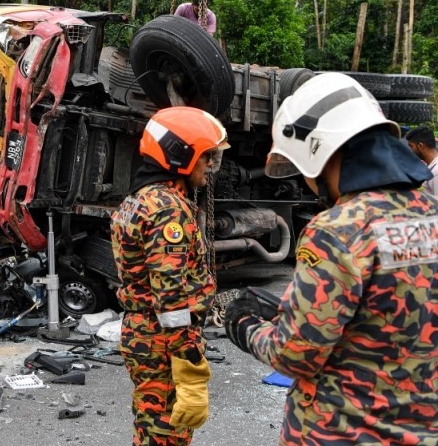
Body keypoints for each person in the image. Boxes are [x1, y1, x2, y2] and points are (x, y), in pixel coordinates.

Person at [224, 73, 438, 444]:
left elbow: (296, 355)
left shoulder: (337, 230)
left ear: (321, 151)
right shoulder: (432, 213)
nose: (308, 182)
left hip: (341, 432)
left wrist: (243, 325)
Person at [111, 106, 229, 445]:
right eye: (206, 156)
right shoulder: (168, 210)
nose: (210, 165)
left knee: (151, 425)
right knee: (166, 432)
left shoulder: (139, 200)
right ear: (180, 156)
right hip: (163, 338)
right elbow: (170, 294)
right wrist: (188, 356)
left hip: (145, 332)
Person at [404, 124, 438, 195]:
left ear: (420, 146)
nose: (410, 150)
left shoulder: (436, 172)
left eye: (411, 146)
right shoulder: (429, 165)